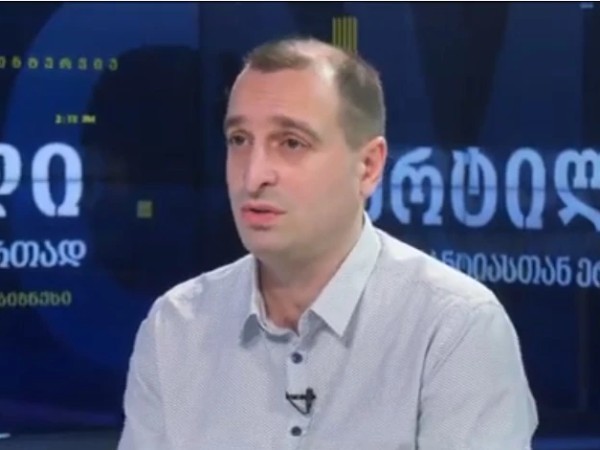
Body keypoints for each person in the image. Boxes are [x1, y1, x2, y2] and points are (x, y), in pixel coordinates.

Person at [118, 37, 538, 450]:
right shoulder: (176, 326)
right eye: (239, 140)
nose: (253, 176)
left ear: (368, 166)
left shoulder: (454, 327)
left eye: (291, 143)